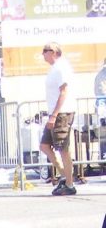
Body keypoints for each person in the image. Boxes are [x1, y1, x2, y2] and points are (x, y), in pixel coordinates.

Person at [39, 42, 79, 196]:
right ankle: (65, 176)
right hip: (54, 113)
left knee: (63, 148)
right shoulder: (54, 68)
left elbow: (64, 92)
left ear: (54, 52)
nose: (43, 54)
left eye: (45, 50)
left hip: (62, 113)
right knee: (44, 145)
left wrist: (55, 114)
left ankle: (69, 184)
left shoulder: (61, 67)